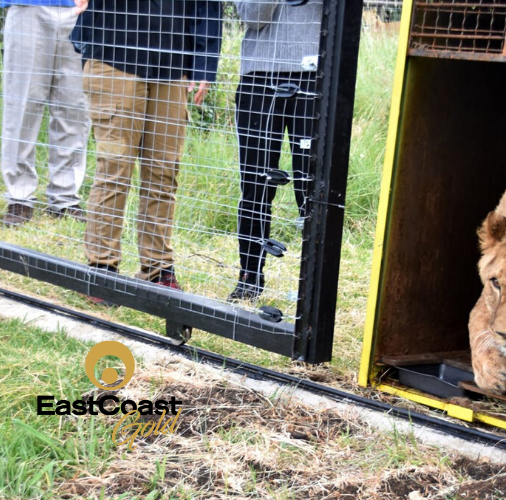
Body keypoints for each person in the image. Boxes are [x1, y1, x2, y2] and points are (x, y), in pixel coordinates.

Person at [70, 0, 221, 300]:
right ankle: (103, 270)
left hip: (172, 63)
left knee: (164, 173)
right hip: (115, 55)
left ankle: (158, 270)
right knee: (115, 169)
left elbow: (208, 5)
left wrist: (205, 62)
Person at [229, 0, 323, 302]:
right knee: (256, 186)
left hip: (314, 74)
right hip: (259, 77)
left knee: (313, 188)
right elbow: (254, 16)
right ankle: (250, 277)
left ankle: (314, 288)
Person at [0, 0, 89, 227]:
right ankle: (19, 196)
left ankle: (65, 197)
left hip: (80, 11)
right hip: (28, 6)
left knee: (74, 109)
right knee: (22, 107)